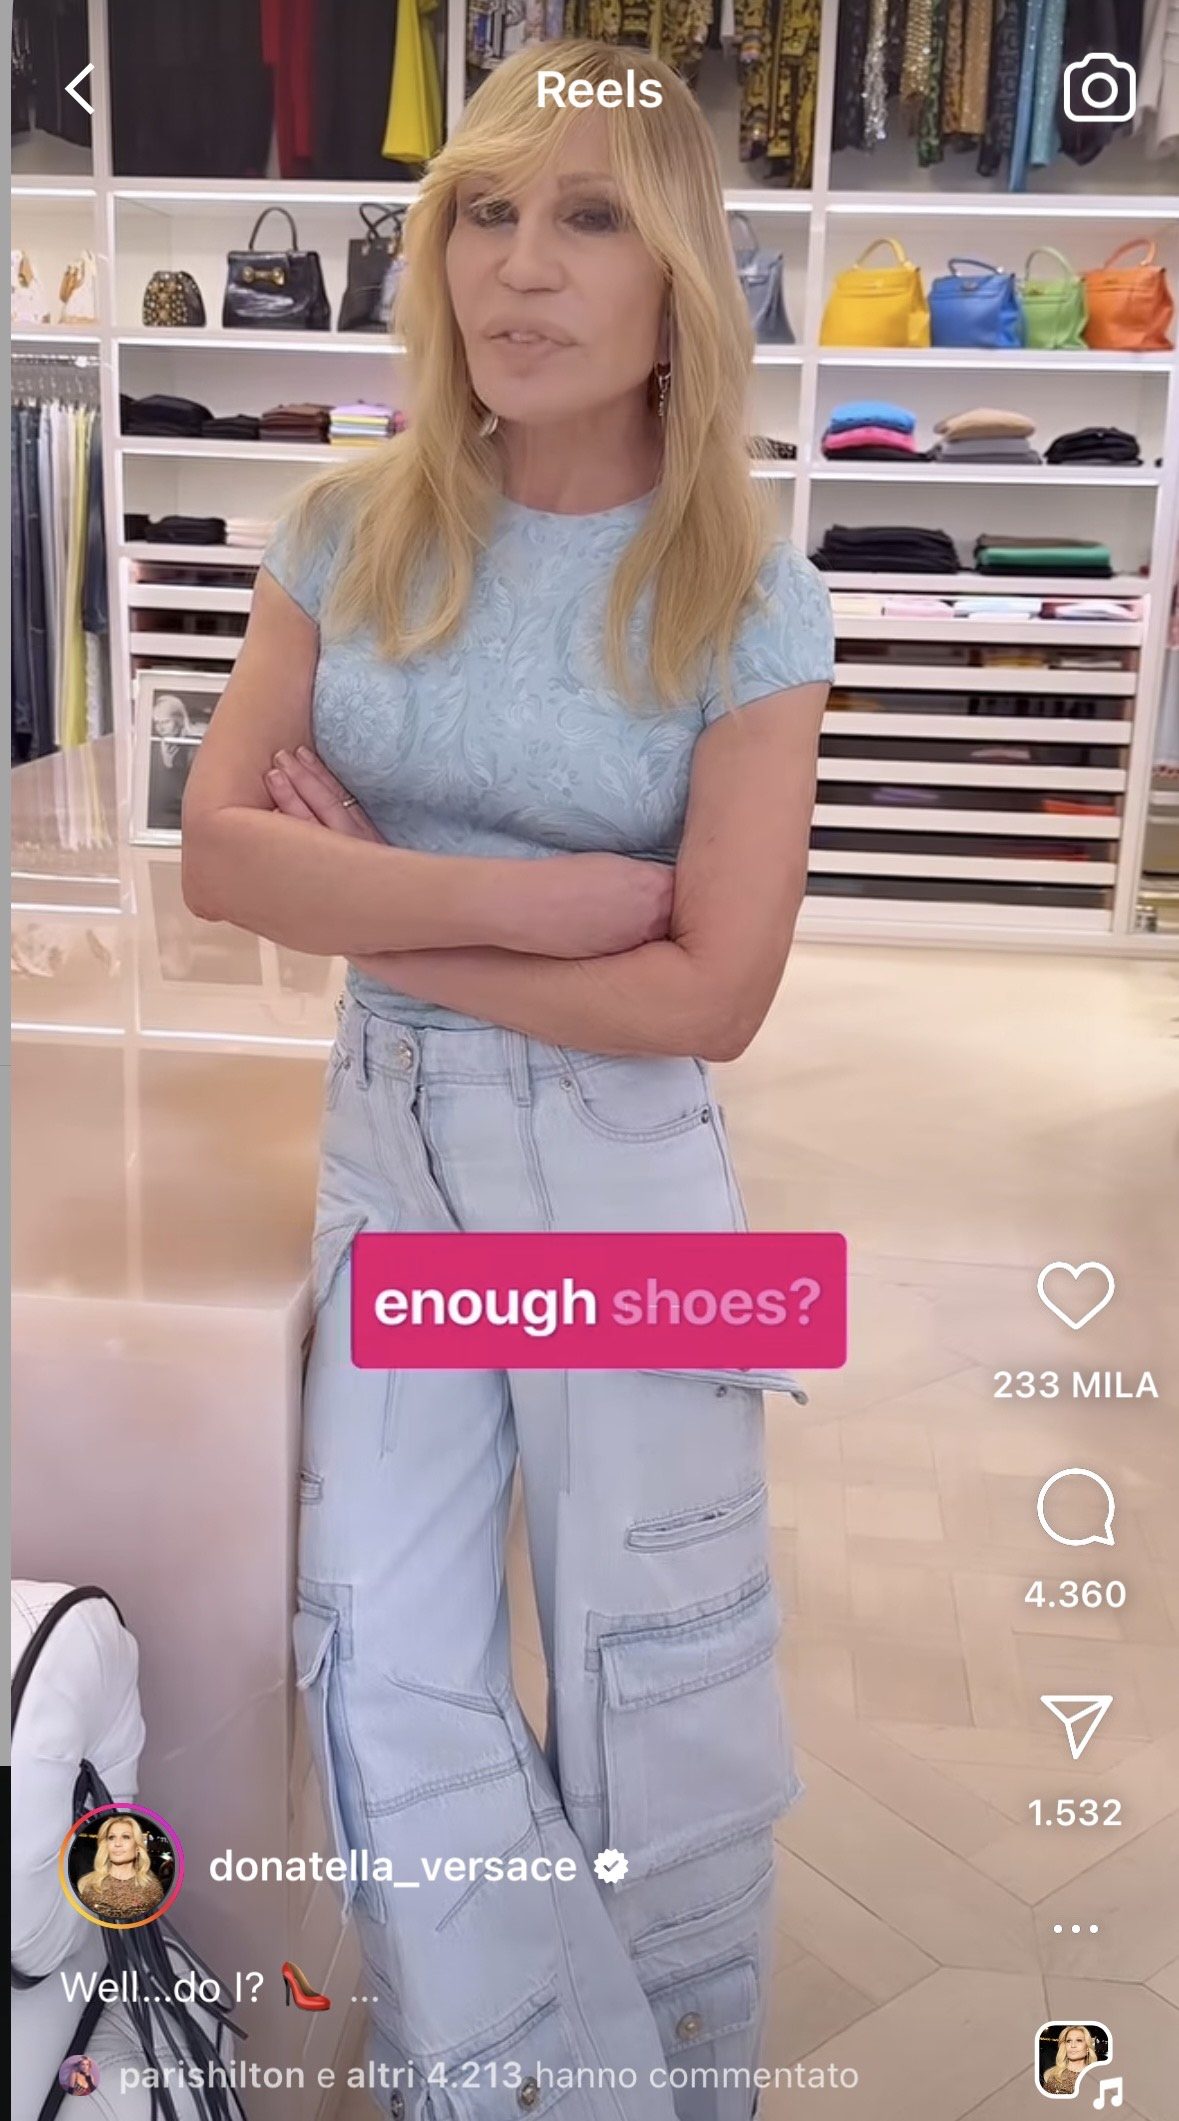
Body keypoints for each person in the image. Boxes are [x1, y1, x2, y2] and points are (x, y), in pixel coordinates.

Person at [181, 36, 832, 2118]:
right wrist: (540, 909)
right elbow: (218, 858)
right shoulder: (345, 530)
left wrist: (366, 899)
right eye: (480, 211)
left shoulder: (746, 593)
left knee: (659, 1688)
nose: (515, 268)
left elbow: (710, 998)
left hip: (629, 1177)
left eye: (586, 219)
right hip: (392, 1146)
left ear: (679, 279)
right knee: (380, 1657)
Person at [75, 1815, 164, 1923]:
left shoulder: (152, 1889)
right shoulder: (87, 1885)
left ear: (137, 1847)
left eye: (126, 1837)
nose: (117, 1844)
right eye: (111, 1837)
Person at [1043, 2025, 1100, 2094]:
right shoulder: (1052, 2075)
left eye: (1079, 2040)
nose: (1073, 2045)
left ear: (1087, 2047)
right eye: (1068, 2041)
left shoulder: (1096, 2078)